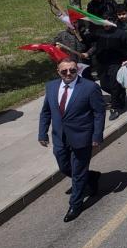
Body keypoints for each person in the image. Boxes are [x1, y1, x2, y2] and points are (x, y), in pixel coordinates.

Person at [38, 57, 105, 222]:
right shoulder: (51, 86)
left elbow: (99, 112)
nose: (68, 73)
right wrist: (42, 133)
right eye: (64, 71)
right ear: (58, 72)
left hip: (82, 137)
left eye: (72, 70)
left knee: (78, 172)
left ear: (77, 70)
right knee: (65, 167)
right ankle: (92, 177)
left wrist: (97, 135)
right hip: (59, 137)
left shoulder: (90, 88)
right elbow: (46, 111)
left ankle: (75, 204)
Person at [85, 16, 127, 120]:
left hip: (116, 62)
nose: (105, 24)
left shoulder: (120, 33)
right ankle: (120, 94)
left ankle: (114, 107)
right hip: (102, 63)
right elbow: (88, 40)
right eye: (103, 22)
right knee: (104, 85)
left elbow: (126, 47)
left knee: (114, 84)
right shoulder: (99, 32)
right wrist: (81, 31)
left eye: (108, 22)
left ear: (113, 22)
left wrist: (126, 60)